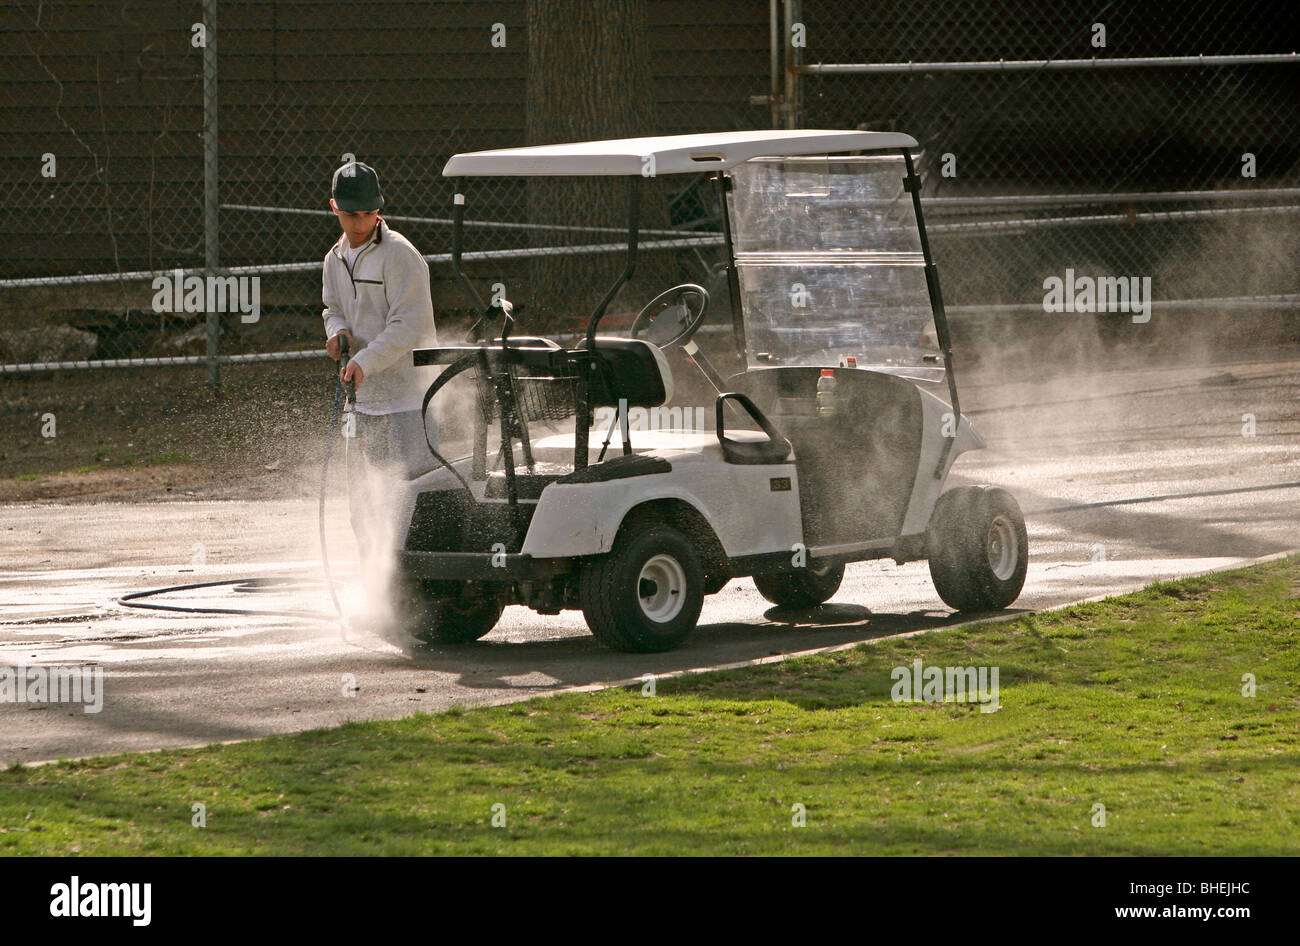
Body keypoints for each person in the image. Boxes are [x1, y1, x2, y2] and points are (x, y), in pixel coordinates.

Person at [321, 160, 438, 568]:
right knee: (363, 504)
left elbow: (410, 325)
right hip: (362, 403)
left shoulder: (401, 255)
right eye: (351, 214)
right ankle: (375, 584)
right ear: (334, 207)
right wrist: (338, 332)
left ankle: (419, 591)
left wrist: (366, 361)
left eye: (368, 214)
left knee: (413, 501)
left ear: (378, 210)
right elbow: (332, 308)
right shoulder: (333, 258)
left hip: (409, 400)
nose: (360, 223)